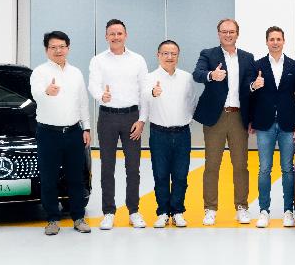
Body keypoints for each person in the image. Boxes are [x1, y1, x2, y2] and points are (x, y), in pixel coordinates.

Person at [193, 18, 257, 226]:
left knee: (241, 166)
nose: (228, 35)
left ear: (237, 34)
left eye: (231, 31)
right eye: (224, 31)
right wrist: (212, 75)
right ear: (218, 33)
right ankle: (210, 209)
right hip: (216, 117)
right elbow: (197, 74)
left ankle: (242, 207)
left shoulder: (247, 57)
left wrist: (254, 88)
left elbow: (249, 87)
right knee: (212, 165)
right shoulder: (208, 54)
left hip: (239, 117)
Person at [87, 19, 150, 229]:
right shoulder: (98, 60)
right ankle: (108, 212)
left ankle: (134, 211)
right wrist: (101, 96)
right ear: (106, 36)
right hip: (107, 117)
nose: (116, 37)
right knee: (107, 167)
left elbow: (144, 91)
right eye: (112, 34)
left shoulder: (138, 60)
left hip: (132, 117)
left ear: (126, 35)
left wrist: (142, 120)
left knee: (133, 167)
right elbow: (93, 85)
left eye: (119, 33)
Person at [30, 30, 92, 236]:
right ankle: (52, 219)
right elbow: (35, 94)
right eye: (53, 47)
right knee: (49, 178)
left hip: (73, 132)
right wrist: (46, 92)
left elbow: (83, 102)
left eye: (62, 47)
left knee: (76, 177)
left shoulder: (76, 73)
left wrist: (86, 127)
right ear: (46, 50)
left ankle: (78, 217)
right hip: (48, 133)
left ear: (68, 48)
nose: (58, 51)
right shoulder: (39, 72)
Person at [246, 26, 295, 229]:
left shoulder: (294, 66)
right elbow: (249, 95)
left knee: (288, 169)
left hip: (288, 125)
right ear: (266, 42)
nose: (275, 42)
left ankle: (288, 211)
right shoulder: (257, 65)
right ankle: (264, 211)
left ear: (283, 41)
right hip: (264, 124)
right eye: (271, 39)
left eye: (278, 39)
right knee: (264, 169)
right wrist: (254, 87)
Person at [143, 40, 200, 228]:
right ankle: (162, 212)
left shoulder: (186, 77)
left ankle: (177, 211)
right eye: (165, 53)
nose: (169, 57)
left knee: (181, 175)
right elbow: (143, 101)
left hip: (182, 133)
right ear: (158, 55)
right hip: (159, 134)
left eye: (173, 54)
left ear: (178, 56)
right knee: (160, 175)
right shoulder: (149, 78)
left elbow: (192, 101)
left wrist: (186, 119)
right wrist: (153, 93)